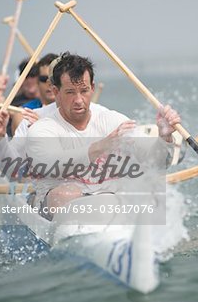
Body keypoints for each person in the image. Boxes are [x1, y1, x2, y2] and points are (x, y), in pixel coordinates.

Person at [23, 53, 181, 216]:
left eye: (83, 91)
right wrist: (102, 146)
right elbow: (54, 167)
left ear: (92, 88)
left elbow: (156, 162)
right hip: (57, 209)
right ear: (56, 92)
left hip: (106, 206)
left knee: (145, 186)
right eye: (70, 92)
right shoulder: (41, 130)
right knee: (66, 193)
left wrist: (164, 138)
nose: (78, 100)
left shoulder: (113, 121)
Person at [10, 53, 58, 133]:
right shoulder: (22, 115)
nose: (49, 83)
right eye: (44, 79)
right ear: (37, 82)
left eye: (54, 78)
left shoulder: (75, 111)